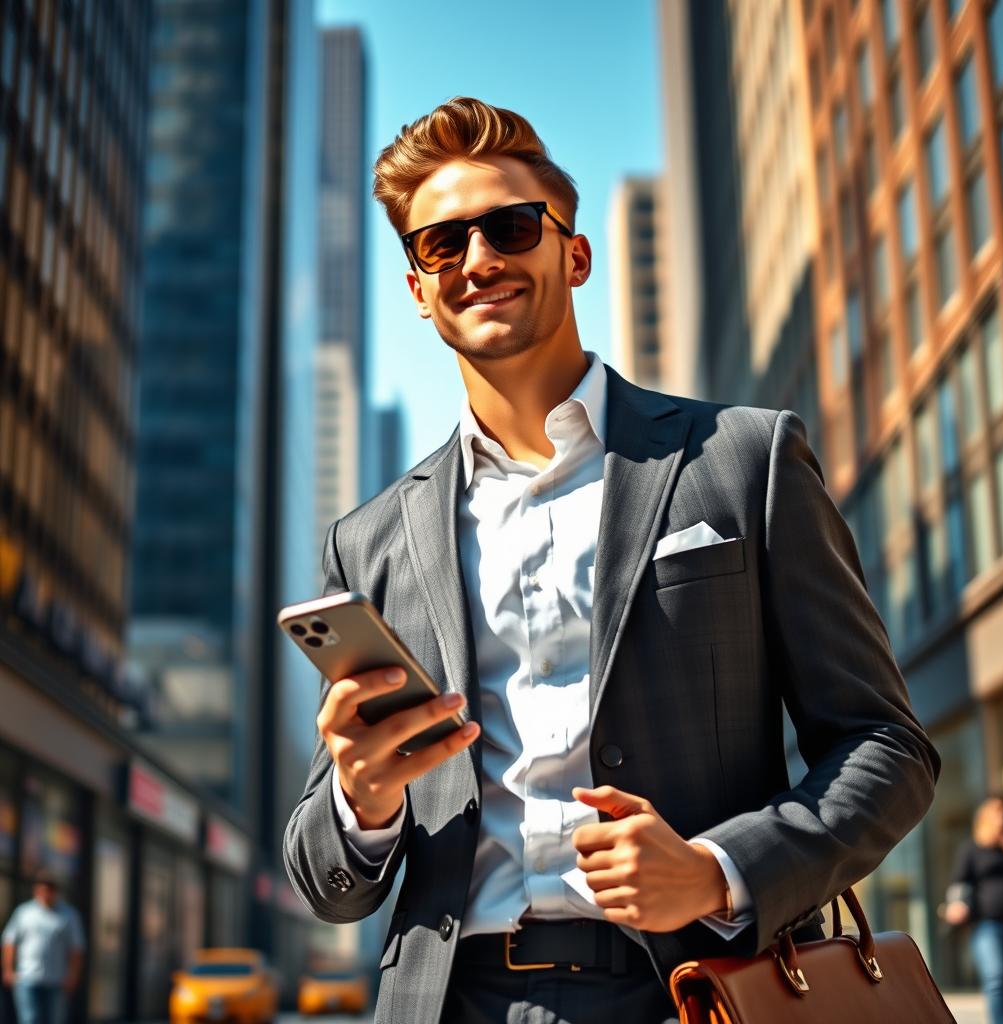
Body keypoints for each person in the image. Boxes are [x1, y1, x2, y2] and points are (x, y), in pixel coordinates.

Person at [283, 96, 940, 1024]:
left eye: (511, 228)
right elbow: (330, 885)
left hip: (696, 990)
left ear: (574, 254)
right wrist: (360, 794)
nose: (478, 260)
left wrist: (719, 872)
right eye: (442, 246)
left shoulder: (742, 460)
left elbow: (889, 746)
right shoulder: (369, 540)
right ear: (418, 292)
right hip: (451, 1001)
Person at [944, 797, 1003, 1024]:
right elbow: (959, 882)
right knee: (995, 977)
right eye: (996, 814)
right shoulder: (973, 848)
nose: (1001, 819)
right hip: (987, 925)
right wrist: (957, 904)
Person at [1, 869, 85, 1024]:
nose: (46, 892)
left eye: (50, 888)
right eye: (42, 887)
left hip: (56, 980)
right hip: (27, 977)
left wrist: (73, 976)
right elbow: (9, 941)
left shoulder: (68, 915)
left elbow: (76, 948)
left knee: (54, 1020)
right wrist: (8, 969)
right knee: (29, 1019)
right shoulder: (24, 912)